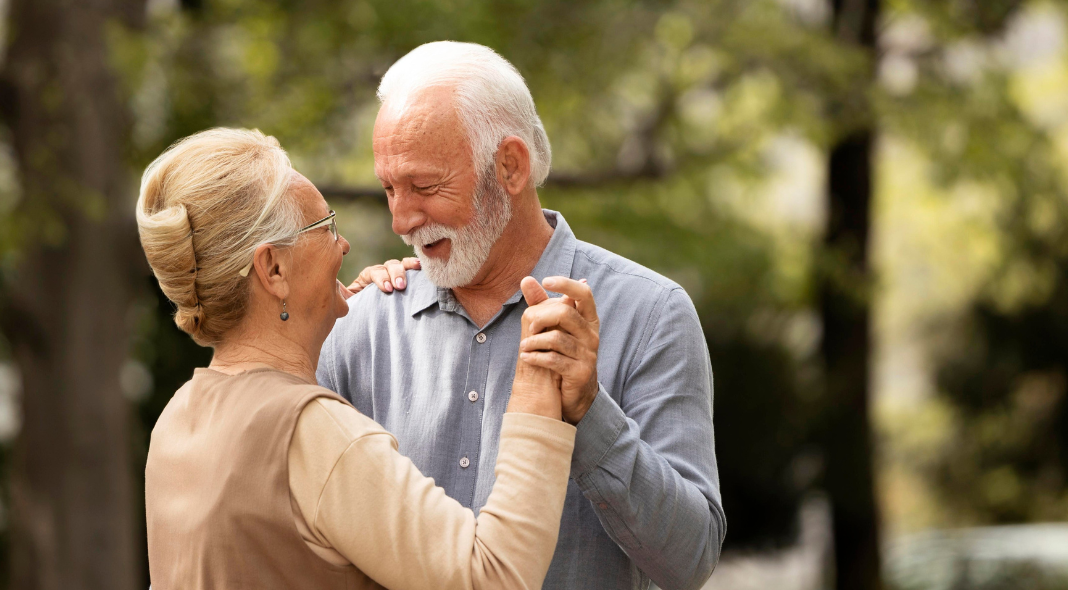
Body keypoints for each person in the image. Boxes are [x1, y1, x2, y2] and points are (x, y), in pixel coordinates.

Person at [325, 41, 725, 589]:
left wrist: (590, 412)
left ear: (511, 166)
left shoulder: (651, 313)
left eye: (424, 186)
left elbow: (690, 561)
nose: (401, 219)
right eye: (389, 188)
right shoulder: (362, 324)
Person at [138, 127, 602, 589]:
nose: (343, 246)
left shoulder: (178, 419)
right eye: (325, 228)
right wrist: (536, 390)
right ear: (274, 269)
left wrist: (326, 309)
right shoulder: (312, 433)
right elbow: (494, 576)